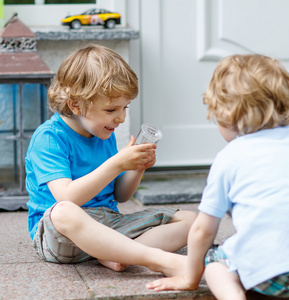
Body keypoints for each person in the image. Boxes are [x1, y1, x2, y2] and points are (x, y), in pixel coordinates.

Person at [25, 44, 196, 272]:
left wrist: (136, 168)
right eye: (111, 110)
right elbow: (67, 197)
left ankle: (118, 255)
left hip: (109, 225)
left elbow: (120, 195)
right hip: (62, 235)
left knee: (191, 221)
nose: (121, 118)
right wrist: (117, 163)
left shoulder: (104, 134)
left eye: (125, 107)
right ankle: (152, 258)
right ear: (76, 104)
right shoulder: (49, 138)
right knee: (64, 211)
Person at [146, 54, 289, 299]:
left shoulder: (231, 156)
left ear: (226, 114)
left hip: (273, 273)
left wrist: (190, 276)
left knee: (215, 263)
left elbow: (202, 231)